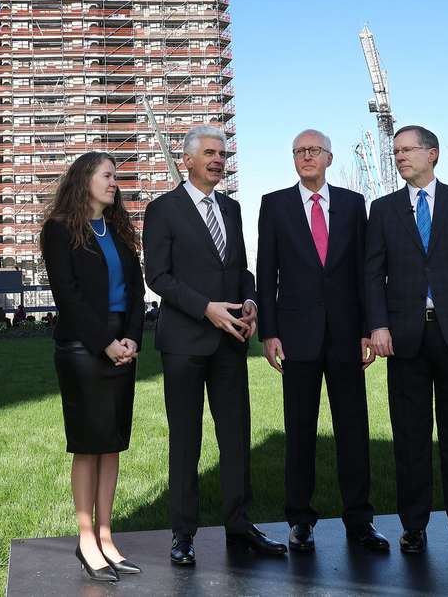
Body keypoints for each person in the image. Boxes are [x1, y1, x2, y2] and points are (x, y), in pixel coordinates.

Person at [142, 125, 284, 567]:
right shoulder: (162, 209)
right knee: (186, 440)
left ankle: (239, 525)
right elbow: (158, 277)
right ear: (186, 160)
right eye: (209, 153)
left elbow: (241, 267)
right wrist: (207, 309)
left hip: (231, 343)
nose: (219, 160)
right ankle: (183, 534)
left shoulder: (233, 208)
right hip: (184, 343)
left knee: (236, 438)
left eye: (223, 153)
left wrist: (249, 300)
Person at [366, 125, 448, 557]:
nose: (400, 157)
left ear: (432, 153)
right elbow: (372, 274)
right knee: (410, 438)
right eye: (396, 151)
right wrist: (378, 326)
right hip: (404, 340)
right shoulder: (383, 210)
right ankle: (414, 527)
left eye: (407, 150)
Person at [255, 129, 388, 554]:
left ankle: (360, 521)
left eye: (313, 151)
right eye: (299, 152)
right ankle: (299, 520)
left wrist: (369, 327)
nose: (306, 157)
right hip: (295, 337)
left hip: (347, 336)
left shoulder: (352, 204)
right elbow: (266, 272)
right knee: (299, 431)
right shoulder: (274, 205)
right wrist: (269, 332)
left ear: (329, 158)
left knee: (353, 430)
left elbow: (366, 272)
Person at [41, 151, 147, 581]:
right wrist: (105, 344)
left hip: (123, 343)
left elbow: (138, 293)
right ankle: (87, 541)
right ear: (84, 179)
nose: (114, 183)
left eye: (116, 177)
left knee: (112, 443)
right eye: (107, 175)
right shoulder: (58, 230)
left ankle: (107, 537)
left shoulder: (120, 231)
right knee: (88, 444)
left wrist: (132, 340)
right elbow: (68, 297)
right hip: (82, 349)